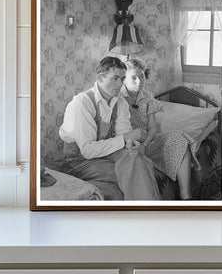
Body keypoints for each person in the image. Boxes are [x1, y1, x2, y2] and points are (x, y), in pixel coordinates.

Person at [59, 56, 160, 200]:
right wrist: (126, 138)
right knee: (133, 171)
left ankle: (148, 211)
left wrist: (131, 144)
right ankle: (148, 213)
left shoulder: (120, 103)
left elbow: (124, 134)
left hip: (107, 153)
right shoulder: (83, 103)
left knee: (138, 158)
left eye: (122, 78)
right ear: (100, 78)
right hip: (79, 160)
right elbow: (88, 150)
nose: (120, 84)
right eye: (115, 78)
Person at [120, 59, 194, 200]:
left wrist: (145, 145)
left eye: (141, 76)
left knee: (179, 138)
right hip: (128, 143)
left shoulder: (147, 97)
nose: (139, 81)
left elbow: (152, 128)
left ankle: (186, 196)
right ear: (124, 80)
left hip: (148, 141)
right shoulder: (118, 97)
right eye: (133, 78)